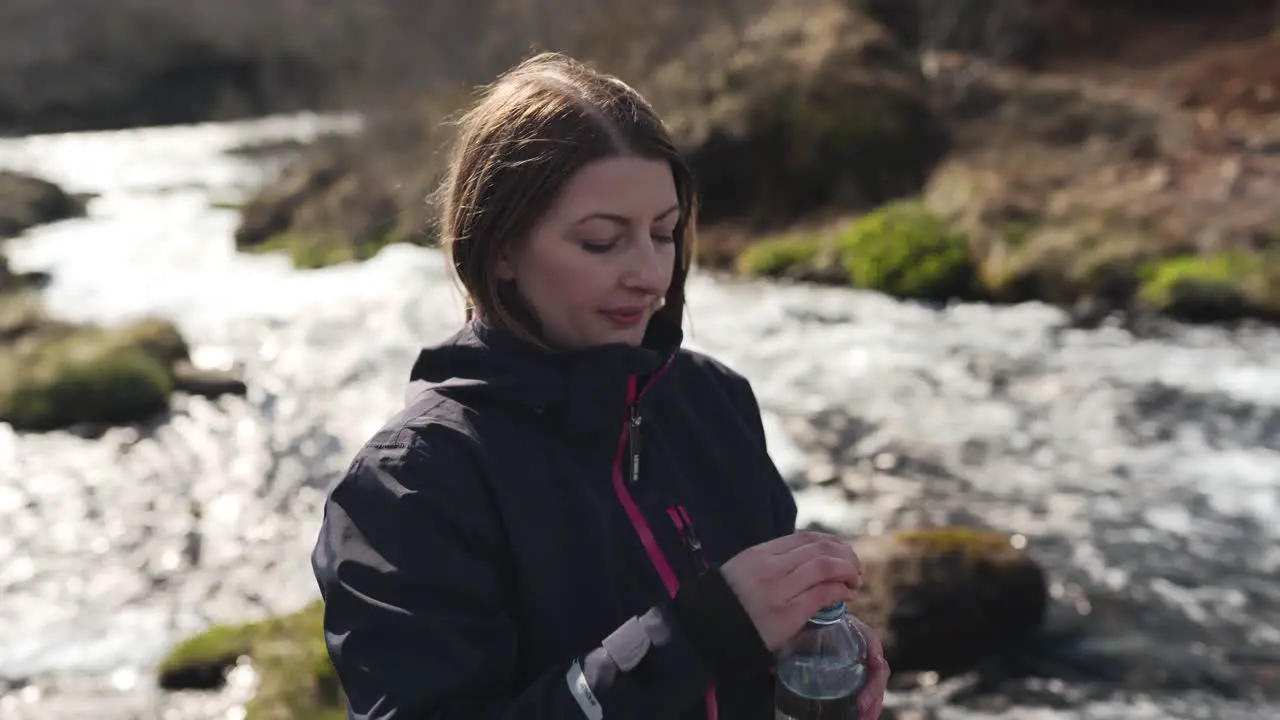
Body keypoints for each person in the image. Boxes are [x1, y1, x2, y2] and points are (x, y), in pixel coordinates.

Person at [310, 51, 890, 720]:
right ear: (499, 250)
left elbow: (747, 667)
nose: (650, 274)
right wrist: (695, 635)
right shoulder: (410, 484)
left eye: (664, 233)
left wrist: (808, 653)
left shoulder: (714, 402)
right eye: (600, 242)